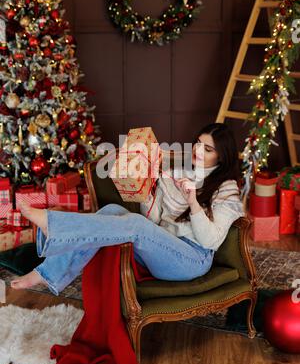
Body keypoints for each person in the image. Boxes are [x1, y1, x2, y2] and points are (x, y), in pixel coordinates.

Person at [11, 122, 245, 295]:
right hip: (161, 249)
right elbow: (152, 221)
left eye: (208, 149)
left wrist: (193, 202)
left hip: (192, 259)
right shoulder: (177, 174)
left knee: (133, 223)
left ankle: (54, 226)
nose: (197, 151)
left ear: (222, 157)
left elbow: (210, 241)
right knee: (113, 209)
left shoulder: (227, 189)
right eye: (198, 144)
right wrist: (147, 187)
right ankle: (46, 273)